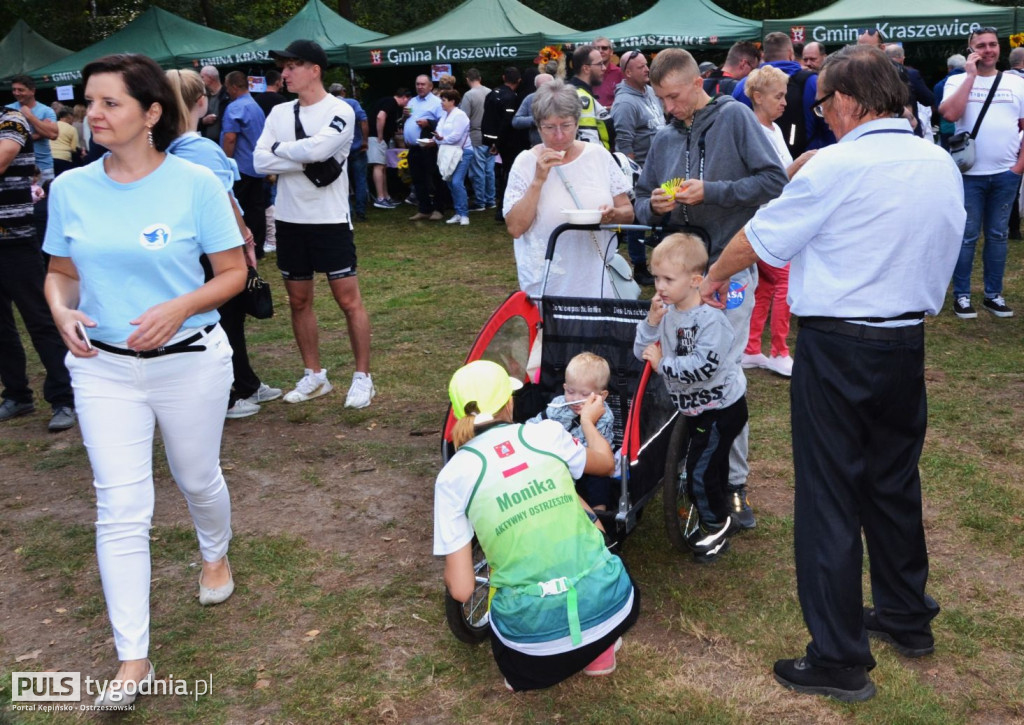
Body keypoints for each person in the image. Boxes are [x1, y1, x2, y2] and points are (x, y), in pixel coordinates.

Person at [701, 45, 963, 702]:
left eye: (822, 107)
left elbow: (760, 239)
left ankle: (840, 656)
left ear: (844, 101)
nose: (823, 119)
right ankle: (906, 616)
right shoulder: (936, 161)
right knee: (894, 481)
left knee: (829, 498)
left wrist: (708, 277)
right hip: (904, 341)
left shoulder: (838, 165)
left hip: (840, 343)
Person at [43, 53, 247, 707]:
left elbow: (232, 272)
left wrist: (180, 306)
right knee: (120, 507)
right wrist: (59, 308)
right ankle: (133, 660)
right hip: (103, 368)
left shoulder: (194, 183)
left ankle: (214, 551)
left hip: (190, 360)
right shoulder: (72, 188)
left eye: (109, 104)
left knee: (196, 478)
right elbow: (60, 271)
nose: (92, 115)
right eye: (88, 104)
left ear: (151, 112)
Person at [635, 48, 787, 531]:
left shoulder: (736, 118)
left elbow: (774, 181)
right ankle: (687, 464)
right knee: (675, 364)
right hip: (674, 280)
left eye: (674, 97)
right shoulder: (662, 138)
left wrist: (714, 191)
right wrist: (655, 205)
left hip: (726, 271)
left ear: (696, 83)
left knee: (722, 373)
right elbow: (641, 198)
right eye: (660, 99)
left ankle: (732, 484)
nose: (669, 108)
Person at [434, 360, 639, 691]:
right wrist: (588, 421)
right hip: (613, 607)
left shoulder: (452, 476)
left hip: (533, 650)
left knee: (521, 646)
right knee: (574, 498)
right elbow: (604, 463)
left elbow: (461, 590)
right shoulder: (546, 434)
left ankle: (539, 664)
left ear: (459, 414)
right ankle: (599, 650)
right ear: (510, 402)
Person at [253, 39, 376, 409]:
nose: (284, 74)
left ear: (314, 70)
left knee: (348, 300)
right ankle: (314, 375)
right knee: (298, 300)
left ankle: (362, 378)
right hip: (290, 221)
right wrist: (299, 155)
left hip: (330, 221)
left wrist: (283, 152)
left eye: (292, 66)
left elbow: (320, 151)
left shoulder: (340, 110)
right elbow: (259, 161)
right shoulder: (279, 113)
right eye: (284, 67)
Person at [166, 68, 281, 420]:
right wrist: (246, 240)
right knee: (222, 319)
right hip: (212, 248)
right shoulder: (199, 148)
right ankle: (228, 393)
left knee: (227, 317)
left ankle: (244, 381)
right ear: (201, 101)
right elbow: (224, 200)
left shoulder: (164, 147)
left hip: (187, 246)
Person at [636, 233, 747, 562]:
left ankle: (716, 526)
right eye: (656, 277)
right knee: (709, 463)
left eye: (668, 279)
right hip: (695, 407)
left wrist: (663, 364)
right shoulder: (668, 314)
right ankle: (719, 508)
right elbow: (642, 351)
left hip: (721, 408)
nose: (660, 286)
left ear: (696, 280)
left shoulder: (712, 322)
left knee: (700, 469)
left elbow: (705, 367)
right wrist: (651, 323)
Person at [504, 81, 634, 297]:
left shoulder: (598, 156)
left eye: (566, 125)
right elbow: (516, 228)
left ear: (577, 122)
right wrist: (538, 180)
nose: (559, 135)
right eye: (549, 127)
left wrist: (612, 215)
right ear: (537, 126)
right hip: (547, 284)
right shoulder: (525, 163)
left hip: (596, 280)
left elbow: (628, 213)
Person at [940, 26, 1024, 319]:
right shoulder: (958, 81)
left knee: (998, 235)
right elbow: (949, 115)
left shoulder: (1016, 84)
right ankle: (962, 296)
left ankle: (993, 295)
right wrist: (971, 76)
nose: (988, 50)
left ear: (999, 48)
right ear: (971, 49)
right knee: (967, 236)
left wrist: (1018, 167)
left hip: (1006, 174)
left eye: (992, 45)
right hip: (968, 175)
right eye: (981, 46)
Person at [0, 105, 75, 432]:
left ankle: (64, 397)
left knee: (40, 319)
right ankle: (17, 394)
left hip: (16, 241)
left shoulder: (10, 119)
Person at [740, 66, 815, 378]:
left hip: (775, 216)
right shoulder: (756, 133)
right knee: (783, 281)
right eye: (778, 96)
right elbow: (768, 182)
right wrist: (799, 163)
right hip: (764, 219)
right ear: (758, 97)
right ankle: (779, 351)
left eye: (785, 95)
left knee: (768, 285)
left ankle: (752, 348)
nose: (785, 102)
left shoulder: (774, 129)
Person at [526, 352, 616, 510]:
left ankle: (599, 511)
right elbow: (536, 422)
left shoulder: (604, 415)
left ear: (602, 396)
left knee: (599, 480)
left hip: (588, 459)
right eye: (571, 392)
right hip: (558, 457)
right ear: (564, 387)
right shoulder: (558, 404)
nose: (575, 399)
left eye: (584, 394)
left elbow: (599, 453)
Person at [612, 49, 666, 285]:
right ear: (627, 72)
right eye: (641, 66)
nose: (647, 69)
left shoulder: (652, 92)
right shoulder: (624, 103)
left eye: (647, 65)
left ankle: (663, 263)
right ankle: (639, 264)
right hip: (641, 171)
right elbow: (625, 145)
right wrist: (635, 177)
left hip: (661, 167)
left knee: (664, 215)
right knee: (637, 220)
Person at [733, 32, 833, 157]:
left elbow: (735, 129)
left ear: (764, 55)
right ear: (791, 54)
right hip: (809, 162)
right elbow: (831, 126)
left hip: (756, 163)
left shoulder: (745, 85)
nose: (783, 102)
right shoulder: (813, 82)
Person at [221, 71, 268, 258]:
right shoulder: (256, 106)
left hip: (240, 167)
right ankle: (258, 247)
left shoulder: (235, 108)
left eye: (227, 88)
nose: (227, 92)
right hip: (257, 165)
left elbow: (230, 138)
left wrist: (225, 162)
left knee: (238, 207)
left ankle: (241, 246)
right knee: (257, 207)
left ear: (233, 87)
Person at [482, 67, 523, 222]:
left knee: (500, 173)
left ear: (503, 77)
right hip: (508, 142)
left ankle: (502, 208)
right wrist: (498, 142)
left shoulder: (492, 94)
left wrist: (491, 141)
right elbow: (507, 122)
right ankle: (503, 210)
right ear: (518, 81)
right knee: (508, 174)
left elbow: (487, 118)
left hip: (493, 139)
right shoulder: (511, 97)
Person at [428, 89, 473, 225]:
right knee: (449, 181)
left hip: (462, 152)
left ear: (452, 101)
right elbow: (438, 132)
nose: (441, 102)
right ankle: (458, 212)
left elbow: (456, 137)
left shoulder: (460, 115)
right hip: (448, 152)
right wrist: (434, 139)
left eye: (444, 100)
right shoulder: (444, 116)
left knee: (456, 182)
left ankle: (464, 214)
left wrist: (439, 140)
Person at [405, 75, 444, 222]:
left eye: (423, 84)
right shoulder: (412, 101)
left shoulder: (436, 102)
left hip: (429, 146)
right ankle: (424, 209)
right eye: (417, 84)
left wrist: (429, 122)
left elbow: (443, 122)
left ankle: (438, 208)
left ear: (430, 87)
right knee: (417, 178)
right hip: (414, 147)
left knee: (435, 178)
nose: (420, 87)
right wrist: (404, 117)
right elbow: (408, 121)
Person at [329, 83, 369, 222]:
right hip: (357, 147)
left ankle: (347, 212)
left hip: (338, 150)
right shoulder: (352, 103)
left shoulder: (328, 106)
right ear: (343, 92)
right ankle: (361, 212)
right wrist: (364, 140)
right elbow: (363, 120)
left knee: (342, 182)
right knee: (360, 180)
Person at [7, 75, 58, 182]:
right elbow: (5, 139)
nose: (16, 93)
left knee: (45, 198)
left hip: (43, 167)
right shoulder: (7, 110)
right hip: (17, 166)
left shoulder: (46, 111)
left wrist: (30, 116)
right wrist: (39, 133)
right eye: (14, 90)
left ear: (32, 91)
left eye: (20, 90)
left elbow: (53, 135)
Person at [368, 88, 411, 209]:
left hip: (380, 139)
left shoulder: (391, 104)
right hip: (376, 138)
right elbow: (380, 117)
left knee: (383, 168)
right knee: (378, 166)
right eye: (408, 101)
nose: (407, 104)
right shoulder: (391, 102)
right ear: (404, 98)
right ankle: (380, 198)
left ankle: (386, 196)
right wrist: (380, 135)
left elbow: (392, 122)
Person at [460, 68, 494, 212]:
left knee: (477, 171)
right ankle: (491, 199)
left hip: (476, 135)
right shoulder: (491, 92)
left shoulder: (469, 95)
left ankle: (480, 201)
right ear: (480, 78)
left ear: (467, 79)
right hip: (491, 136)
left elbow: (463, 118)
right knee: (489, 170)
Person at [568, 45, 614, 150]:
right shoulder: (582, 97)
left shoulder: (576, 92)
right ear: (586, 68)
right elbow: (589, 140)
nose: (604, 68)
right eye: (600, 64)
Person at [932, 55, 966, 150]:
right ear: (965, 67)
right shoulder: (975, 81)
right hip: (968, 127)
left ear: (949, 68)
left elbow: (939, 109)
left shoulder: (939, 86)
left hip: (947, 128)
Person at [512, 73, 554, 148]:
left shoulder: (562, 98)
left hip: (560, 144)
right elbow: (516, 121)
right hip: (537, 146)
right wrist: (535, 120)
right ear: (536, 87)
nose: (544, 92)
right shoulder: (530, 99)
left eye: (547, 88)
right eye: (541, 88)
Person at [199, 65, 230, 143]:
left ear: (211, 78)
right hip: (206, 143)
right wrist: (203, 121)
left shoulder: (228, 95)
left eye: (202, 77)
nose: (200, 80)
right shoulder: (203, 96)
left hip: (222, 143)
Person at [591, 37, 624, 108]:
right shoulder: (586, 72)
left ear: (611, 52)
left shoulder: (620, 73)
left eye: (604, 48)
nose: (600, 51)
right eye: (596, 48)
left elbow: (625, 101)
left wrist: (605, 109)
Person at [51, 108, 79, 176]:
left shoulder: (52, 125)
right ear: (69, 117)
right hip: (64, 159)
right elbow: (73, 148)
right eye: (73, 118)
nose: (73, 121)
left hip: (50, 158)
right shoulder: (72, 129)